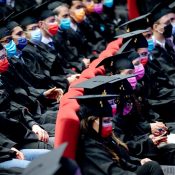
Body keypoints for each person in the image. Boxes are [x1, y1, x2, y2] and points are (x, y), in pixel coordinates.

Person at [73, 93, 164, 175]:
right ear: (91, 122)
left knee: (152, 166)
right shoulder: (90, 148)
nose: (110, 124)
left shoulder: (103, 137)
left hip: (125, 168)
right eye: (106, 121)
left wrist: (139, 162)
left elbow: (121, 160)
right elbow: (114, 172)